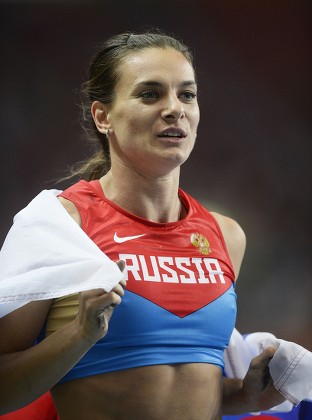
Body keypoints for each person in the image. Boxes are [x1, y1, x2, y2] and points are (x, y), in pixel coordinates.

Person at [0, 30, 286, 419]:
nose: (175, 109)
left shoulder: (225, 235)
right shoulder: (59, 226)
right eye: (150, 94)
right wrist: (78, 334)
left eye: (187, 94)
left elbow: (178, 389)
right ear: (103, 116)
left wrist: (245, 395)